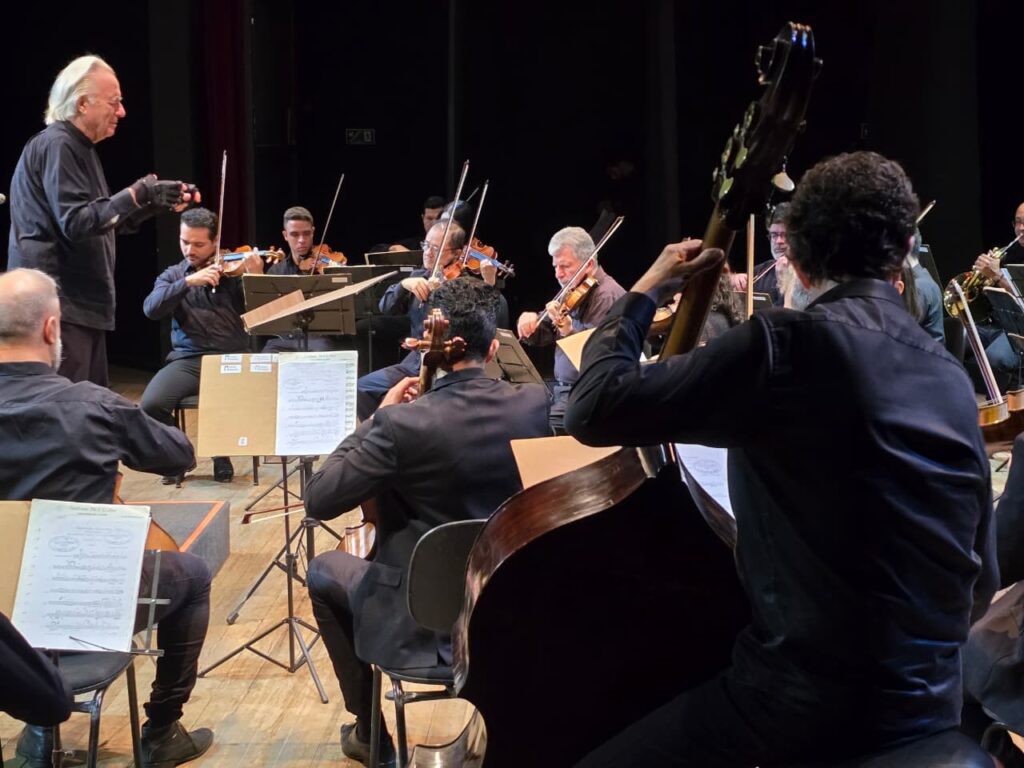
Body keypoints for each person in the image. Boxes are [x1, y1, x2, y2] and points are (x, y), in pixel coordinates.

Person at [565, 151, 997, 767]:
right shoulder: (950, 377)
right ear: (905, 250)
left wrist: (642, 293)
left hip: (802, 706)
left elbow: (593, 407)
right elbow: (982, 578)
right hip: (929, 708)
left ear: (793, 250)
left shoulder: (785, 346)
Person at [303, 277, 550, 765]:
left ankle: (370, 736)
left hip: (423, 626)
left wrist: (376, 419)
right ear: (493, 348)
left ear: (426, 344)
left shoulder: (399, 425)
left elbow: (319, 498)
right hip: (512, 610)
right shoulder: (534, 406)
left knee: (322, 571)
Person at [0, 268, 213, 768]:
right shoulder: (94, 406)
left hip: (2, 623)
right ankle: (162, 730)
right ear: (52, 328)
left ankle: (40, 723)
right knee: (193, 575)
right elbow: (178, 454)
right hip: (81, 609)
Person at [7, 54, 199, 387]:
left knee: (86, 404)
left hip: (77, 307)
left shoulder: (79, 148)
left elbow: (106, 222)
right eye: (114, 102)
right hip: (58, 305)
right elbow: (77, 222)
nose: (122, 112)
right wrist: (137, 193)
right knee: (68, 407)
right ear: (83, 104)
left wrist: (152, 201)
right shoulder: (58, 144)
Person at [140, 207, 262, 484]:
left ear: (215, 242)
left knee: (221, 400)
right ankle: (181, 455)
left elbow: (261, 314)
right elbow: (151, 309)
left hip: (231, 358)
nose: (189, 250)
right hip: (189, 360)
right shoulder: (173, 275)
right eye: (185, 242)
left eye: (198, 244)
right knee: (151, 405)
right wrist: (187, 282)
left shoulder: (234, 273)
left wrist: (256, 277)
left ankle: (221, 454)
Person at [355, 219, 471, 420]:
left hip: (446, 365)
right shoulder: (418, 277)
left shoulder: (464, 286)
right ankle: (383, 433)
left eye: (436, 249)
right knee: (362, 388)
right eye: (426, 245)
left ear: (456, 254)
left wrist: (440, 295)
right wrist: (403, 285)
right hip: (415, 361)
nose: (428, 252)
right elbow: (385, 308)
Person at [517, 226, 625, 433]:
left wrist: (569, 331)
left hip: (590, 392)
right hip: (565, 390)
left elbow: (597, 355)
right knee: (521, 411)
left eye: (565, 266)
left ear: (589, 264)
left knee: (536, 427)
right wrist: (529, 321)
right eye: (555, 266)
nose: (558, 274)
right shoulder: (573, 289)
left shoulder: (606, 295)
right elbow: (543, 332)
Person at [261, 205, 339, 353]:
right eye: (295, 234)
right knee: (265, 357)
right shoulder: (276, 272)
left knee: (322, 351)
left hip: (319, 338)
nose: (301, 240)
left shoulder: (325, 265)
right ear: (285, 235)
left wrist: (332, 273)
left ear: (313, 232)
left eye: (306, 233)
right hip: (285, 339)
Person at [970, 202, 1024, 389]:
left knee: (994, 357)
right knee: (960, 333)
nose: (1021, 228)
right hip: (1002, 322)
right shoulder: (1011, 252)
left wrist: (998, 276)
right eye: (1018, 222)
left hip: (1020, 331)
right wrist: (980, 276)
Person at [730, 202, 789, 307]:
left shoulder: (808, 273)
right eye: (774, 235)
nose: (779, 241)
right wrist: (733, 281)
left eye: (785, 235)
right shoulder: (760, 271)